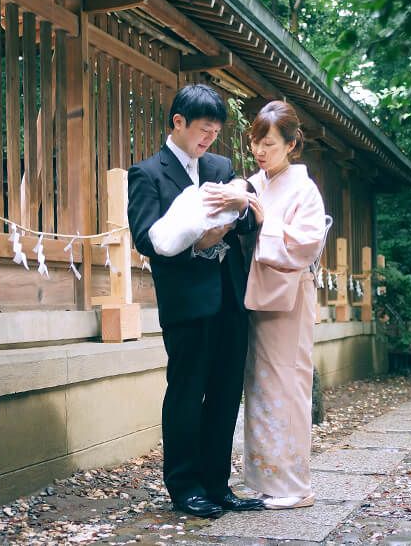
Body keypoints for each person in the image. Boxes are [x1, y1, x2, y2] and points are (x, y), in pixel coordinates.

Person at [127, 84, 265, 519]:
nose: (208, 140)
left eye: (215, 133)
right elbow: (147, 239)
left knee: (226, 392)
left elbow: (244, 222)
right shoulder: (148, 173)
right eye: (202, 130)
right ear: (178, 123)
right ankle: (184, 486)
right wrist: (195, 240)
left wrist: (235, 216)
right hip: (187, 300)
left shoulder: (221, 166)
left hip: (230, 293)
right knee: (188, 391)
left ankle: (217, 484)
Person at [241, 100, 329, 510]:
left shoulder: (304, 189)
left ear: (292, 145)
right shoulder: (254, 183)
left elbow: (309, 242)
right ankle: (267, 480)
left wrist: (265, 224)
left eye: (270, 144)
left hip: (290, 296)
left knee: (289, 384)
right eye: (256, 141)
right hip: (258, 295)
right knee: (260, 386)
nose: (260, 151)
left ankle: (296, 486)